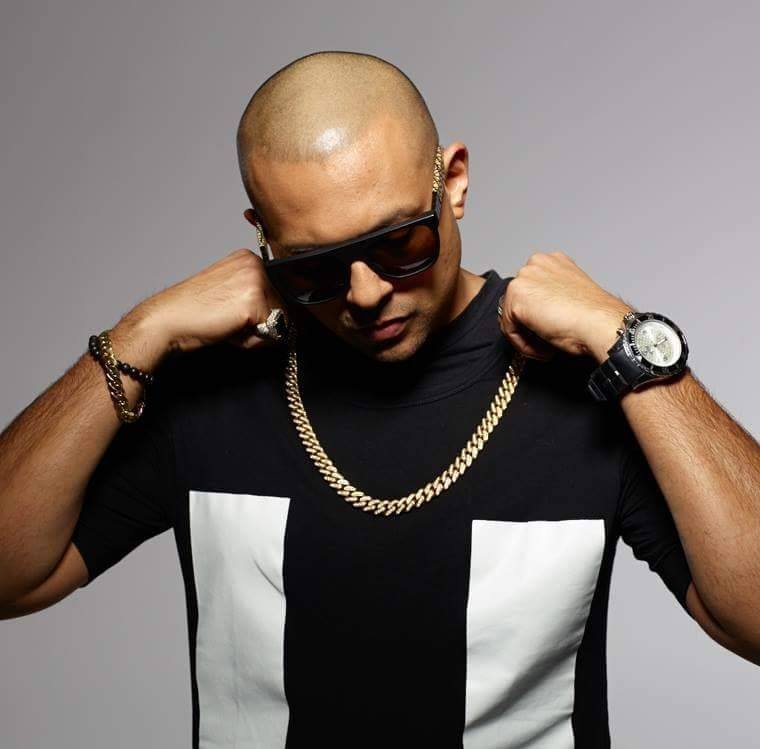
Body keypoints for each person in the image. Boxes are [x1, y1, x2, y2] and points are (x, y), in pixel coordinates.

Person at [1, 50, 758, 749]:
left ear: (453, 181)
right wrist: (139, 332)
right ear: (263, 238)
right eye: (313, 264)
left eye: (398, 242)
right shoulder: (204, 379)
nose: (364, 294)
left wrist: (628, 340)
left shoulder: (592, 379)